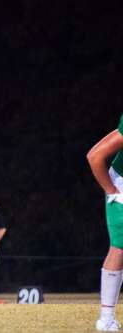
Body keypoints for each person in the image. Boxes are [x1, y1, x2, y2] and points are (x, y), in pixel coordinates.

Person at [87, 115, 123, 331]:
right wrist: (111, 191)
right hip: (121, 185)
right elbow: (95, 156)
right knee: (120, 247)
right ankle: (106, 318)